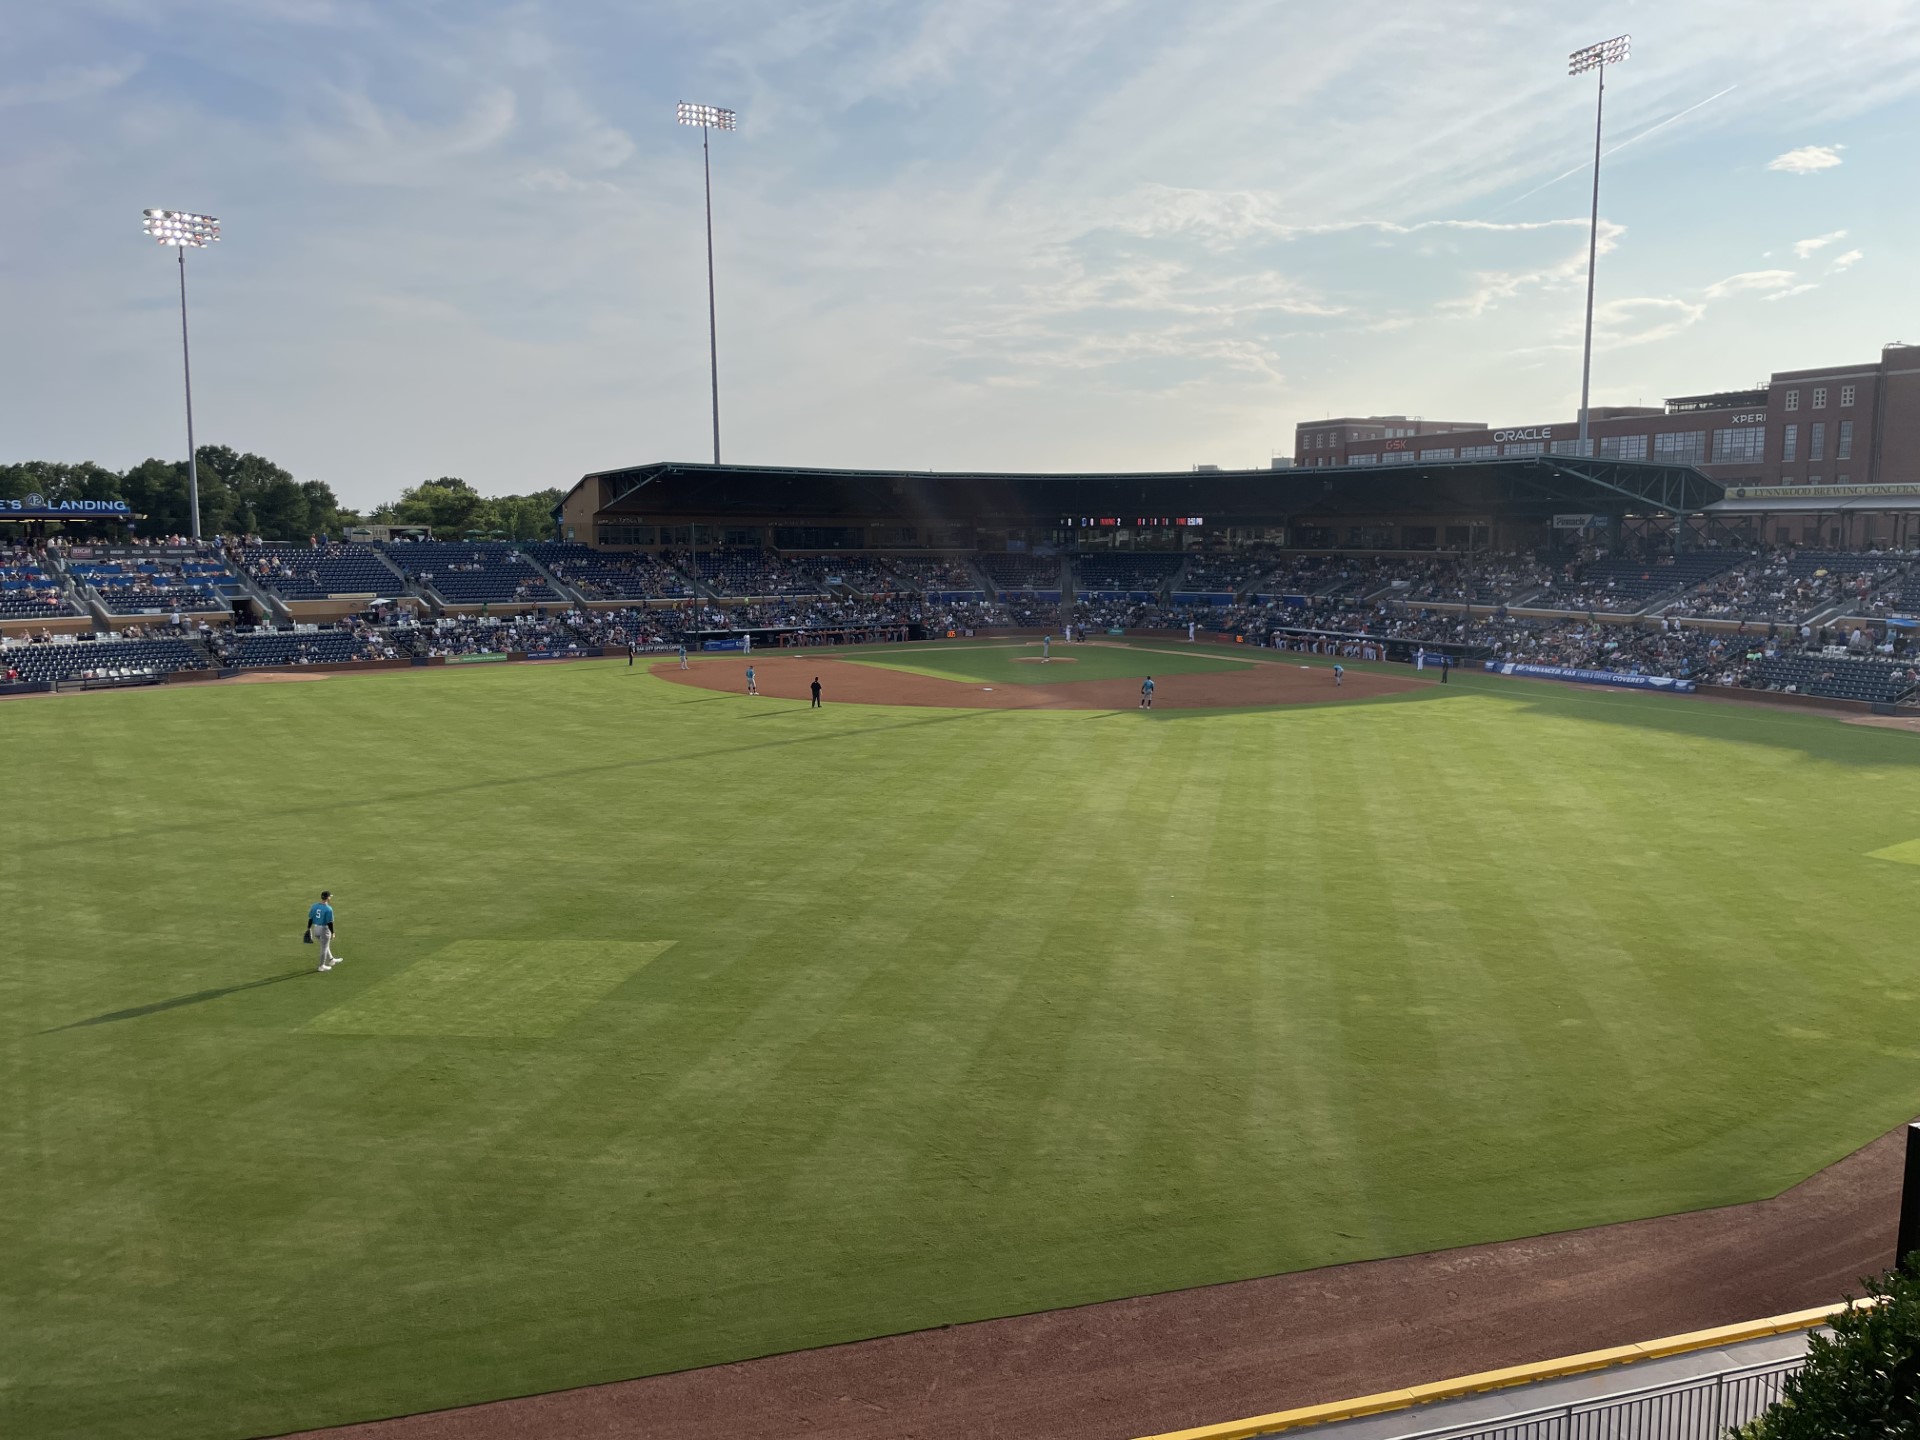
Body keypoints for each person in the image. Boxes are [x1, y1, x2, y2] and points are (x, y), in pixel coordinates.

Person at [308, 891, 341, 972]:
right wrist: (332, 932)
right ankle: (321, 966)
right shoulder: (328, 908)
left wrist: (308, 929)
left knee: (324, 945)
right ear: (328, 898)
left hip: (316, 929)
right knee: (324, 947)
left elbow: (310, 918)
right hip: (324, 930)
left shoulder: (314, 906)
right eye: (330, 897)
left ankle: (331, 959)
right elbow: (330, 922)